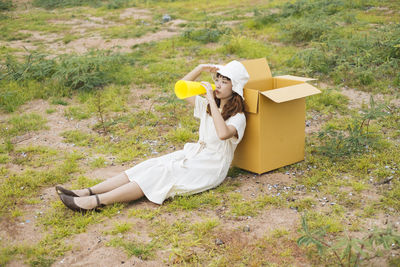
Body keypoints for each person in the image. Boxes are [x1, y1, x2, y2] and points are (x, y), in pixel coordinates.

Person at [56, 60, 250, 212]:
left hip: (211, 167)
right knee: (150, 164)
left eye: (225, 82)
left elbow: (223, 134)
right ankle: (87, 192)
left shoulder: (238, 117)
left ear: (235, 89)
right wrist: (199, 68)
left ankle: (96, 202)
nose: (218, 85)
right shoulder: (209, 105)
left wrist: (210, 99)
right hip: (195, 155)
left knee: (160, 173)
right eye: (217, 79)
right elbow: (180, 89)